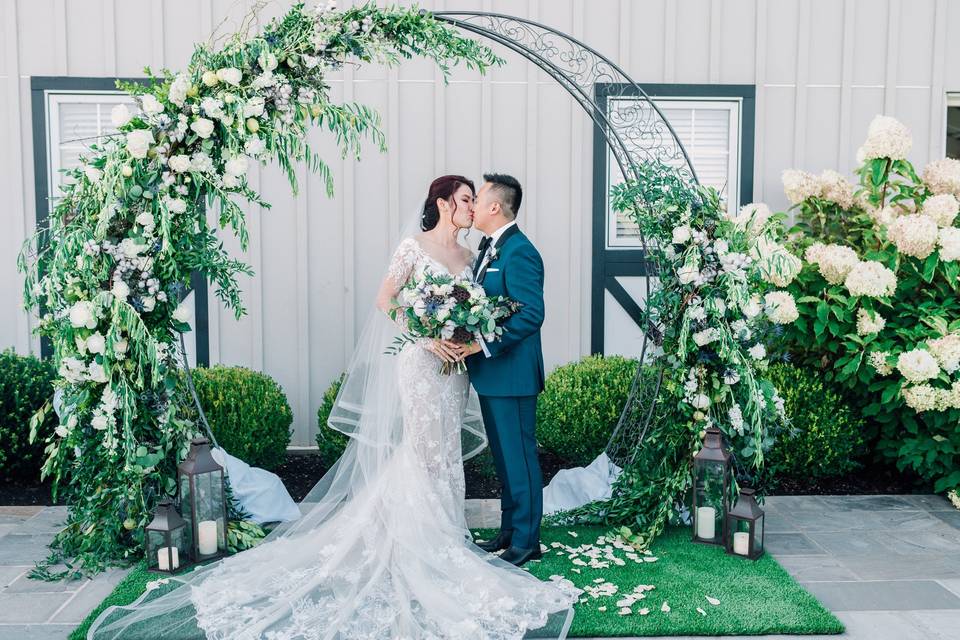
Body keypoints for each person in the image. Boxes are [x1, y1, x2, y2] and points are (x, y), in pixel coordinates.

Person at [87, 175, 578, 640]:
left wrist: (461, 337)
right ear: (446, 202)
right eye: (465, 198)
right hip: (423, 362)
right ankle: (421, 538)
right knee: (424, 449)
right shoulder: (414, 247)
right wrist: (428, 337)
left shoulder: (474, 255)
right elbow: (388, 301)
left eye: (477, 198)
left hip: (457, 370)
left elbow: (484, 309)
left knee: (445, 449)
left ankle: (450, 532)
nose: (471, 206)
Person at [458, 174, 547, 568]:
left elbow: (531, 314)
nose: (472, 205)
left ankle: (528, 541)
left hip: (512, 375)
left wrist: (483, 344)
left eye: (477, 198)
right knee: (505, 459)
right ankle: (510, 530)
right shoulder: (491, 248)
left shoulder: (520, 252)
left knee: (521, 458)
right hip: (492, 376)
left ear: (495, 206)